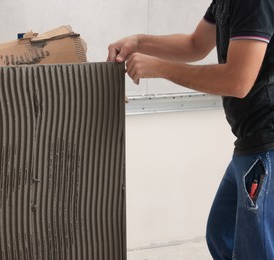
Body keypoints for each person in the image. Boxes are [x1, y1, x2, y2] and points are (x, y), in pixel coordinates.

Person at [107, 1, 274, 259]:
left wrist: (159, 68)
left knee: (256, 250)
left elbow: (238, 80)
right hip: (250, 140)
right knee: (222, 234)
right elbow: (195, 44)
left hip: (267, 143)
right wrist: (138, 42)